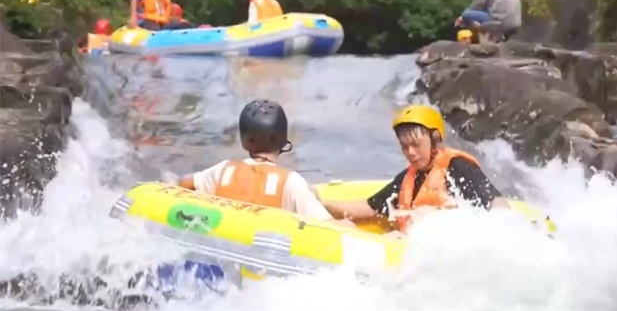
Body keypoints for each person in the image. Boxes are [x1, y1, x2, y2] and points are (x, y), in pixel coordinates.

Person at [321, 105, 508, 234]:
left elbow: (497, 204)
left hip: (449, 250)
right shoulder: (407, 179)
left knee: (423, 215)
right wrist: (321, 202)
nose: (410, 152)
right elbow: (368, 208)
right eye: (404, 146)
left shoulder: (459, 167)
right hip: (413, 249)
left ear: (435, 139)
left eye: (416, 145)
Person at [176, 100, 349, 226]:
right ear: (284, 140)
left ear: (244, 141)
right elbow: (329, 227)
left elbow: (184, 184)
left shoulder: (224, 170)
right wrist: (346, 224)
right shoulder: (291, 182)